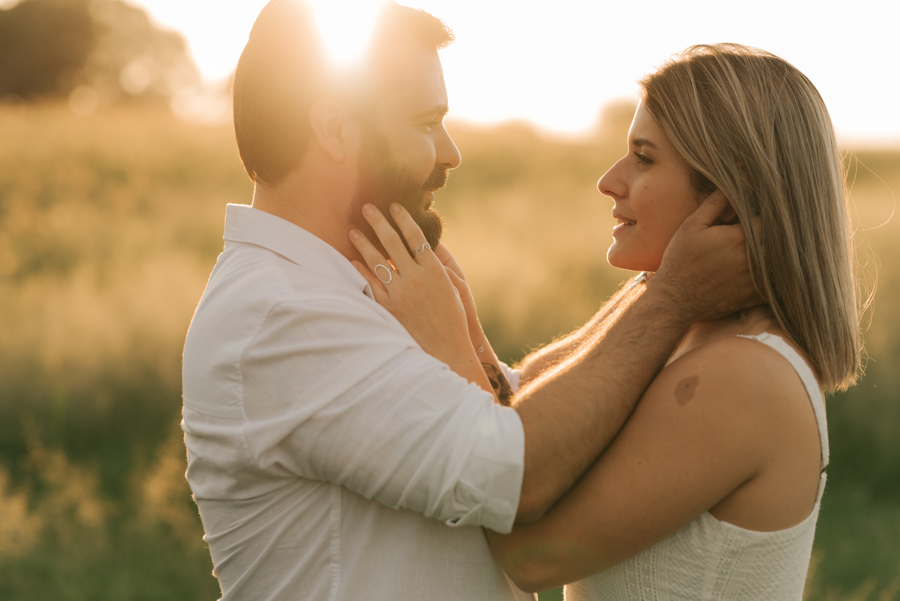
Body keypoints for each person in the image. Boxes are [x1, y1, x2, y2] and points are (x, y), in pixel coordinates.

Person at [181, 1, 757, 598]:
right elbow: (522, 472)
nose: (450, 151)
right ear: (334, 129)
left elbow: (525, 414)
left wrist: (471, 345)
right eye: (425, 122)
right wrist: (669, 298)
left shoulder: (355, 286)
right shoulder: (282, 314)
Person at [354, 44, 861, 600]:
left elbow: (529, 554)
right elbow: (530, 407)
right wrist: (465, 327)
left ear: (728, 191)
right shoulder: (686, 327)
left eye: (644, 158)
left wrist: (447, 344)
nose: (609, 180)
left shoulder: (744, 376)